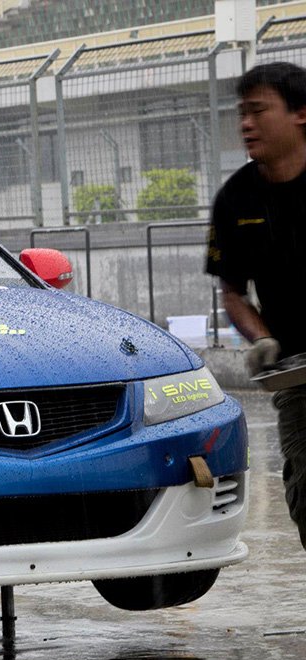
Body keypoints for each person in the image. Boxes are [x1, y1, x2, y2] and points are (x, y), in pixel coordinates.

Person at [205, 61, 306, 549]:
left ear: (300, 113)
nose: (246, 123)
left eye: (259, 111)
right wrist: (262, 338)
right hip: (298, 372)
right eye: (241, 113)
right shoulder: (236, 199)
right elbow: (233, 292)